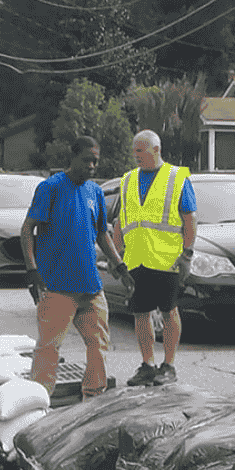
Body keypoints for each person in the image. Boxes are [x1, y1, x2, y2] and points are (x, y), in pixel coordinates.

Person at [20, 136, 135, 401]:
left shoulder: (94, 191)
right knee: (48, 349)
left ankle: (93, 400)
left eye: (96, 161)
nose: (92, 166)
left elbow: (101, 234)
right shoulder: (51, 188)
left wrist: (119, 265)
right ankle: (38, 405)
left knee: (98, 346)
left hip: (91, 288)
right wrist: (31, 270)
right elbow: (27, 229)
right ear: (72, 158)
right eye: (87, 161)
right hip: (57, 288)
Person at [111, 130, 197, 387]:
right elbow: (121, 220)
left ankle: (168, 366)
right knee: (140, 313)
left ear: (156, 150)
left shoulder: (176, 177)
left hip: (167, 259)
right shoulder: (127, 180)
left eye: (140, 150)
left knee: (169, 312)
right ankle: (147, 364)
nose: (135, 156)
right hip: (136, 259)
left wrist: (187, 254)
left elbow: (189, 218)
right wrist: (116, 255)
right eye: (134, 150)